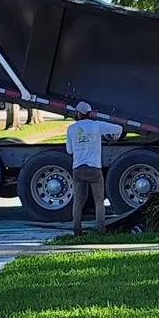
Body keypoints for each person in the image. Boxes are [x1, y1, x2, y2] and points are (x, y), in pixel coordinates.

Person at [66, 101, 122, 235]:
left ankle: (77, 230)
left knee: (78, 202)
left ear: (78, 114)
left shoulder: (71, 129)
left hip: (78, 168)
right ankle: (101, 230)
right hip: (94, 168)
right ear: (89, 114)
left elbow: (69, 150)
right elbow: (118, 128)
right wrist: (113, 137)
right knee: (98, 201)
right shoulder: (96, 126)